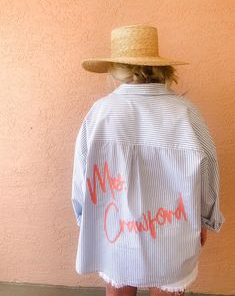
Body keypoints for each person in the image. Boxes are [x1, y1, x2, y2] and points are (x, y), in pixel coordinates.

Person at [71, 24, 225, 296]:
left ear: (117, 68)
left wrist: (84, 217)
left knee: (118, 291)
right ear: (160, 67)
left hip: (114, 229)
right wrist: (205, 218)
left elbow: (82, 172)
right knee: (168, 287)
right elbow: (209, 169)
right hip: (174, 232)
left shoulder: (101, 113)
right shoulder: (187, 114)